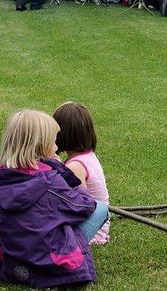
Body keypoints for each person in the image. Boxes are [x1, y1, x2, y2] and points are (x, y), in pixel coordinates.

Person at [0, 110, 108, 288]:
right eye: (53, 141)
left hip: (12, 260)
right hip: (48, 263)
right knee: (100, 208)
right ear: (41, 146)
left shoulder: (1, 177)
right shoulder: (51, 180)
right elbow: (85, 206)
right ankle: (71, 252)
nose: (56, 146)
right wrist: (61, 170)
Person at [53, 102, 110, 245]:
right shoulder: (87, 156)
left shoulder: (75, 167)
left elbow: (76, 208)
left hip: (91, 232)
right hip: (96, 224)